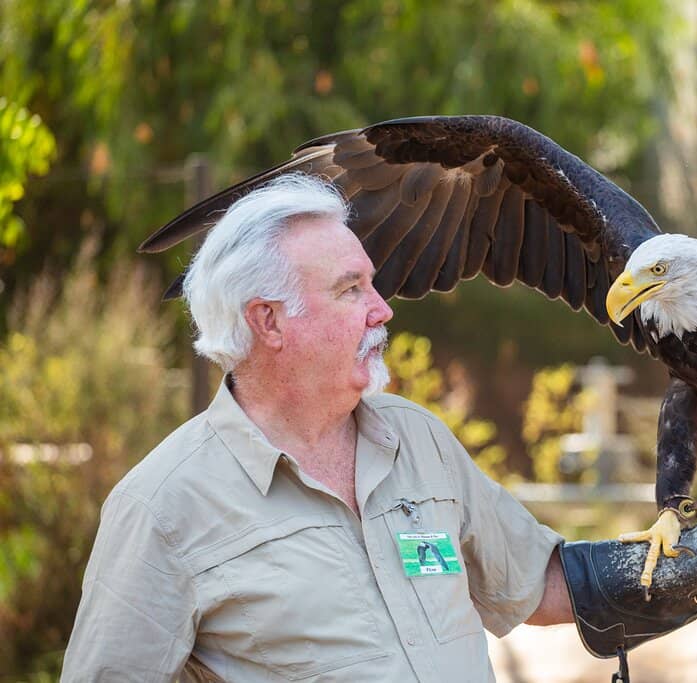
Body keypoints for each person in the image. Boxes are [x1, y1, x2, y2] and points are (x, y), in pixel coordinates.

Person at [62, 174, 572, 681]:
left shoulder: (419, 441)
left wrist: (651, 571)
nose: (382, 309)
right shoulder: (162, 506)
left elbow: (533, 581)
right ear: (268, 321)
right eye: (351, 290)